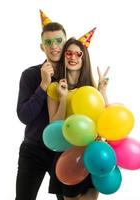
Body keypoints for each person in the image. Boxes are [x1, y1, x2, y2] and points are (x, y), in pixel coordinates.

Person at [47, 37, 110, 200]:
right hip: (67, 154)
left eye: (78, 54)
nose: (73, 57)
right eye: (68, 53)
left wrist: (102, 91)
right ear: (64, 56)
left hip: (92, 151)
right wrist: (63, 98)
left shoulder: (92, 89)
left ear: (84, 58)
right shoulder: (54, 88)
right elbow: (54, 125)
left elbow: (108, 121)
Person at [15, 22, 67, 200]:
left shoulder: (75, 74)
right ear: (42, 47)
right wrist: (43, 85)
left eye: (59, 41)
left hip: (63, 151)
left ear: (65, 43)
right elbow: (24, 116)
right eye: (48, 42)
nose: (54, 47)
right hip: (33, 149)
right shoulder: (30, 75)